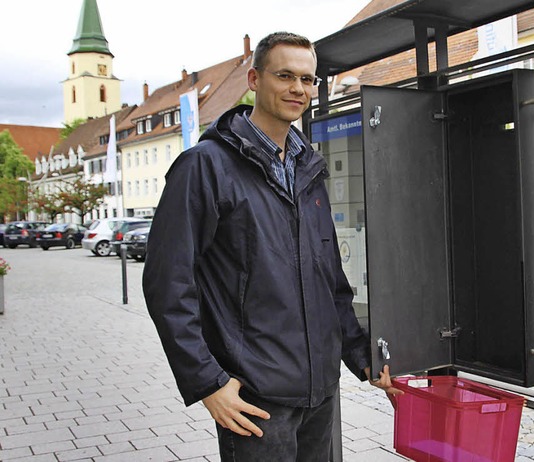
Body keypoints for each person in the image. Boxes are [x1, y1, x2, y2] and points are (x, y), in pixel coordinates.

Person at [142, 31, 401, 461]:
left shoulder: (308, 169)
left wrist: (362, 357)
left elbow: (330, 282)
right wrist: (208, 382)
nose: (298, 89)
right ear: (254, 79)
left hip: (320, 392)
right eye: (285, 76)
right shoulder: (205, 166)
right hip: (254, 397)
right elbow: (167, 284)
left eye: (308, 79)